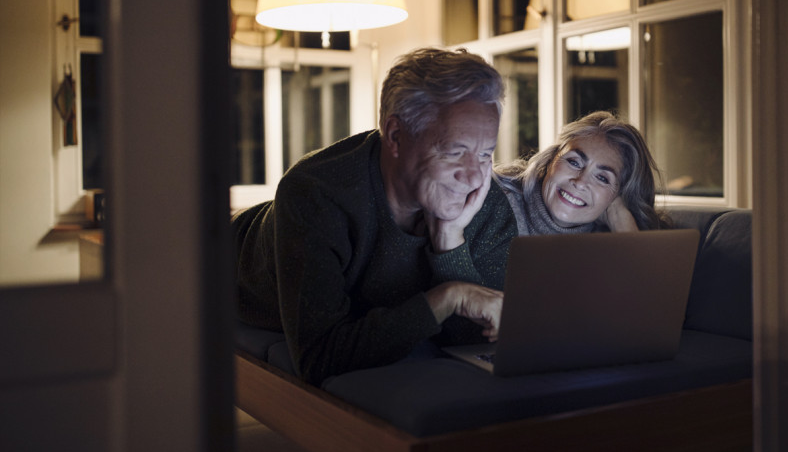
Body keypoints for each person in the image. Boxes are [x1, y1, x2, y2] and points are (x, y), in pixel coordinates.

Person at [234, 48, 516, 385]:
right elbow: (319, 358)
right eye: (455, 152)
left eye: (486, 154)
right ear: (396, 135)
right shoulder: (315, 192)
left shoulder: (487, 200)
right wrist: (450, 297)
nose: (472, 177)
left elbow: (481, 341)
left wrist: (450, 244)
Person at [495, 111, 664, 235]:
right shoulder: (495, 201)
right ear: (551, 160)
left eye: (602, 178)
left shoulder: (609, 238)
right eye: (574, 162)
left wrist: (623, 226)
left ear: (616, 198)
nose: (581, 182)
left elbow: (644, 283)